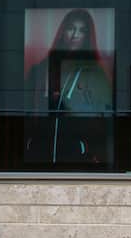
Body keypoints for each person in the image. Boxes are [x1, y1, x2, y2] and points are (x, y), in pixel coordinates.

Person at [24, 9, 113, 164]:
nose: (75, 35)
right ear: (63, 31)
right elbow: (31, 110)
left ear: (87, 36)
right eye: (71, 28)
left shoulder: (94, 72)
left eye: (82, 30)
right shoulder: (43, 67)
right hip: (41, 153)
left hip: (76, 157)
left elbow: (102, 117)